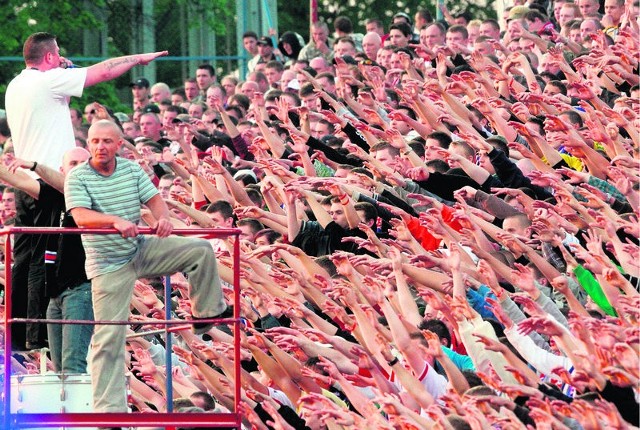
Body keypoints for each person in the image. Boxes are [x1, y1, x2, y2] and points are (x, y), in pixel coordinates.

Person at [4, 31, 166, 351]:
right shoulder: (49, 82)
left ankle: (20, 337)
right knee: (47, 258)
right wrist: (139, 59)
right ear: (50, 57)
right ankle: (38, 336)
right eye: (58, 55)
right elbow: (103, 71)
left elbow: (64, 74)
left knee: (26, 257)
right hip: (50, 180)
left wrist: (63, 66)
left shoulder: (17, 84)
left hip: (28, 178)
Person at [65, 120, 229, 413]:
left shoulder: (130, 169)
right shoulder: (77, 176)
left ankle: (206, 313)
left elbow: (155, 199)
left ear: (118, 144)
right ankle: (109, 410)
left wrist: (163, 218)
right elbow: (80, 217)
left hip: (140, 247)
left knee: (201, 250)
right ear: (89, 144)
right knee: (109, 336)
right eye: (95, 141)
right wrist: (114, 221)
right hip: (107, 262)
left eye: (106, 141)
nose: (100, 147)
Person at [2, 148, 93, 373]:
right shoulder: (54, 194)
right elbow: (18, 180)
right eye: (73, 163)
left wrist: (34, 165)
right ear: (62, 170)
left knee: (73, 364)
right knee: (61, 366)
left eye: (84, 163)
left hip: (81, 288)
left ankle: (78, 409)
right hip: (54, 291)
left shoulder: (95, 194)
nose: (79, 168)